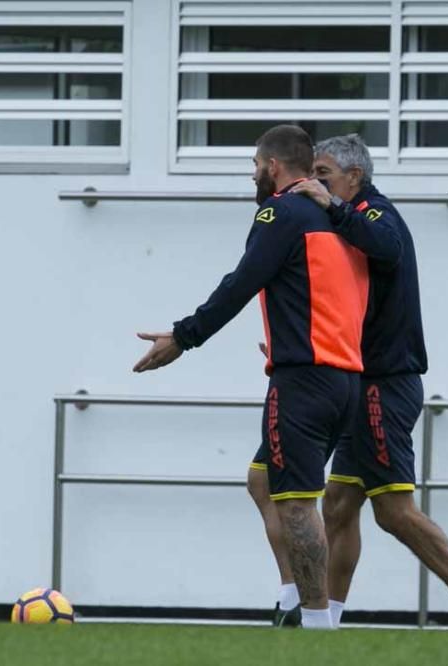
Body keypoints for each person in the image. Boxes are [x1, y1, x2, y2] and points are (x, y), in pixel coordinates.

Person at [247, 134, 448, 631]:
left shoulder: (374, 214)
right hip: (351, 383)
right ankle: (323, 621)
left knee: (392, 509)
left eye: (323, 174)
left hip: (383, 387)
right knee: (338, 504)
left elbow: (387, 245)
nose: (313, 184)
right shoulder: (336, 226)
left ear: (354, 178)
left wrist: (334, 208)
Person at [134, 125, 369, 629]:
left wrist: (183, 336)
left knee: (298, 504)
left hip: (303, 381)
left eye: (254, 165)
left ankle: (316, 626)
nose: (252, 175)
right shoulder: (337, 220)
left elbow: (242, 281)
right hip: (344, 379)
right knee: (262, 480)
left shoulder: (280, 212)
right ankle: (291, 601)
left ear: (274, 166)